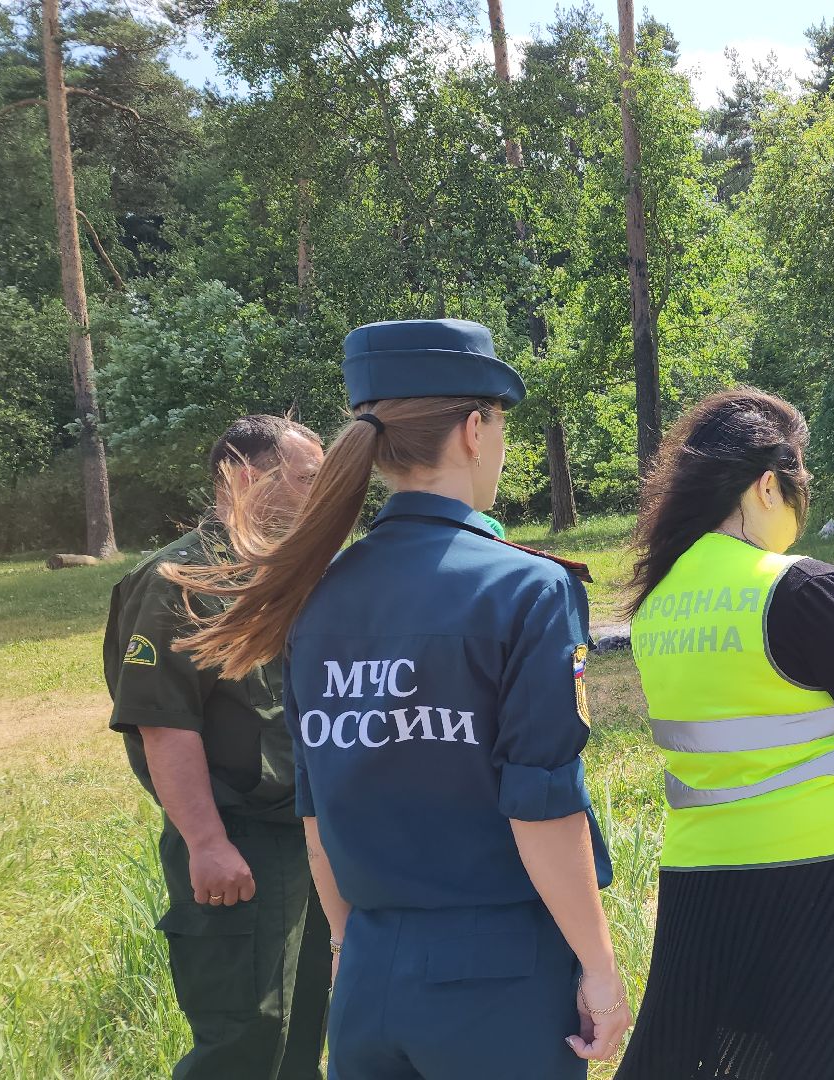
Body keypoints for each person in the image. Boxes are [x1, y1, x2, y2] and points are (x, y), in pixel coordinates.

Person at [165, 318, 631, 1077]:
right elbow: (541, 804)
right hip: (499, 977)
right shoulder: (528, 588)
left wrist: (352, 951)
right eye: (500, 426)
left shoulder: (315, 591)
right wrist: (601, 970)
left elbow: (316, 814)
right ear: (476, 430)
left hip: (368, 969)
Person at [614, 388, 834, 1080]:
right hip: (830, 875)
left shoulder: (657, 599)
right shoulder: (802, 588)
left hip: (704, 876)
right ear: (769, 484)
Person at [105, 414, 329, 1080]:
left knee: (305, 1022)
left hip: (308, 834)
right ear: (243, 475)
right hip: (240, 839)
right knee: (246, 1034)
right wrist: (206, 843)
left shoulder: (290, 574)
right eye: (305, 480)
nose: (319, 497)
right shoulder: (181, 580)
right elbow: (165, 723)